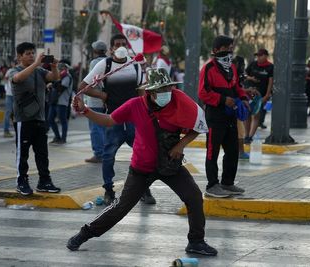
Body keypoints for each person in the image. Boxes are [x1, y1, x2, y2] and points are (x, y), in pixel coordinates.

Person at [68, 68, 217, 256]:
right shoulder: (135, 105)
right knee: (121, 207)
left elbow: (198, 126)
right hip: (142, 168)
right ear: (151, 92)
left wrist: (180, 145)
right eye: (161, 91)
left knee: (194, 196)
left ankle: (196, 241)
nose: (166, 94)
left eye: (168, 89)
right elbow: (109, 120)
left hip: (169, 164)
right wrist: (86, 111)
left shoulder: (180, 102)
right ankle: (84, 233)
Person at [78, 34, 156, 205]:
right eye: (117, 44)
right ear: (111, 48)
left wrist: (146, 112)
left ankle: (144, 189)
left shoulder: (135, 65)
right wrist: (102, 95)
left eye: (123, 44)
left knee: (143, 154)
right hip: (113, 119)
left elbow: (142, 90)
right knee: (108, 155)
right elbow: (82, 87)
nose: (121, 46)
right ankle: (108, 190)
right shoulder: (104, 65)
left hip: (134, 120)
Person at [198, 35, 249, 198]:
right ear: (215, 51)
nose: (229, 51)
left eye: (231, 48)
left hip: (230, 116)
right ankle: (212, 185)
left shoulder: (232, 68)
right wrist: (222, 100)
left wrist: (243, 99)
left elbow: (236, 87)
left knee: (233, 150)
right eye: (225, 48)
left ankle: (228, 183)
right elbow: (203, 93)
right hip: (215, 117)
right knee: (212, 152)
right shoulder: (208, 69)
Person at [9, 42, 61, 196]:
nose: (31, 56)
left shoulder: (39, 71)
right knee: (23, 153)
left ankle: (44, 181)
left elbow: (54, 78)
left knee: (42, 153)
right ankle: (21, 182)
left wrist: (54, 66)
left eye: (33, 53)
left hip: (40, 118)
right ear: (19, 56)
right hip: (23, 119)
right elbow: (18, 78)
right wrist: (37, 63)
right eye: (28, 53)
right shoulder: (15, 70)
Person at [84, 40, 107, 163]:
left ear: (95, 51)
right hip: (106, 100)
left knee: (95, 128)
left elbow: (93, 81)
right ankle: (104, 152)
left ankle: (98, 153)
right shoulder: (108, 61)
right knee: (103, 127)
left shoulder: (94, 62)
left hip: (95, 100)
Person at [244, 48, 273, 143]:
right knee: (247, 114)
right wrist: (251, 79)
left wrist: (267, 95)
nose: (258, 58)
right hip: (249, 93)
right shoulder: (253, 64)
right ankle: (246, 135)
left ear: (266, 56)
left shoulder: (270, 67)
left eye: (260, 55)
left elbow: (270, 82)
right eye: (257, 56)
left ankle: (250, 136)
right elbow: (244, 74)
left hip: (260, 95)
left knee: (256, 115)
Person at [48, 60, 73, 144]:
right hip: (54, 101)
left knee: (63, 121)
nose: (60, 67)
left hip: (62, 102)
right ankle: (57, 136)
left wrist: (53, 84)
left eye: (62, 66)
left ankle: (63, 138)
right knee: (50, 119)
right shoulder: (59, 76)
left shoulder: (67, 76)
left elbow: (61, 88)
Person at [3, 61, 16, 137]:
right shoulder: (10, 71)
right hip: (9, 94)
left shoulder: (19, 70)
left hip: (16, 95)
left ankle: (18, 131)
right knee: (8, 113)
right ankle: (6, 130)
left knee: (16, 114)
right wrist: (6, 88)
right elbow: (5, 79)